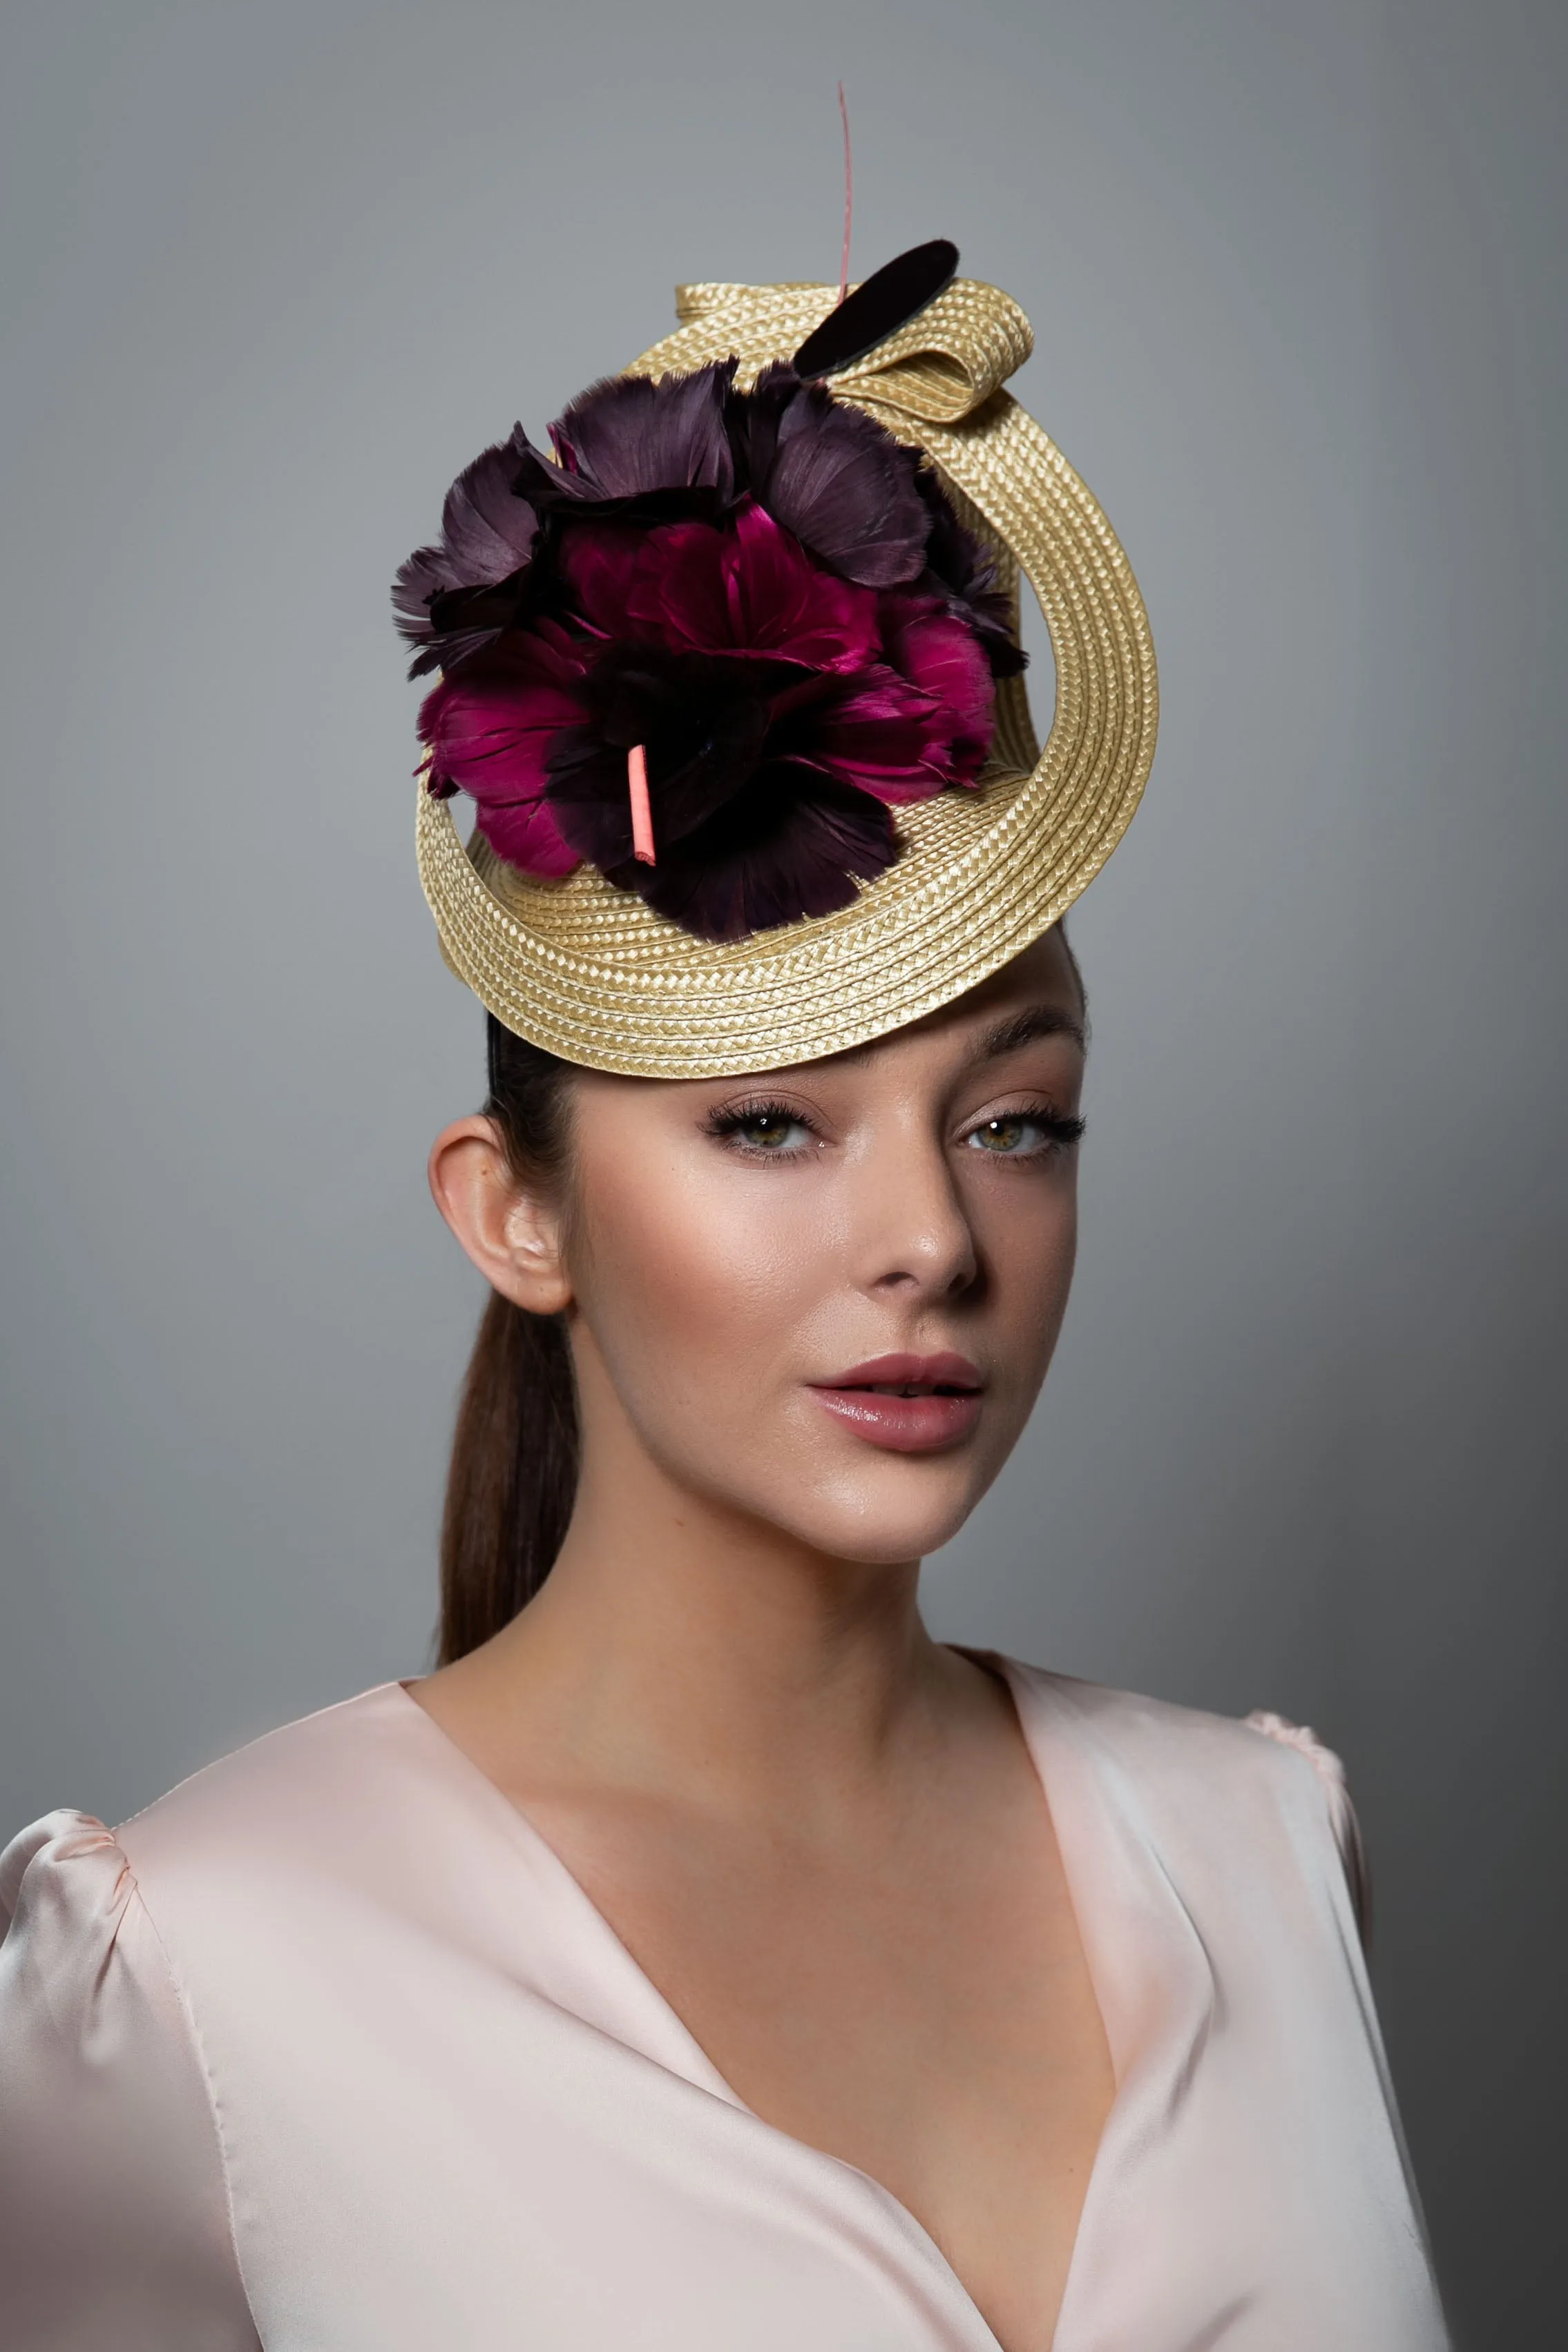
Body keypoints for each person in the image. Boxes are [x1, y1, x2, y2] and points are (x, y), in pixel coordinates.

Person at [0, 249, 1448, 2351]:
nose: (932, 1243)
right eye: (770, 1124)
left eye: (1014, 1123)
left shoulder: (1261, 1849)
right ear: (518, 1212)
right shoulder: (204, 1979)